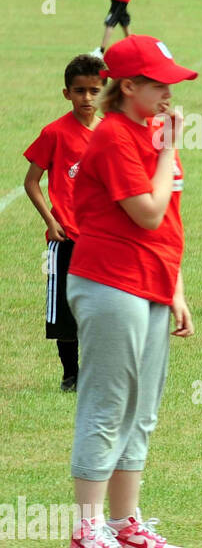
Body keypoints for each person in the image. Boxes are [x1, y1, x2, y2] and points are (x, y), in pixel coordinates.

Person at [65, 34, 197, 548]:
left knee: (142, 408)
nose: (169, 93)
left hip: (152, 280)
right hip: (110, 281)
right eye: (158, 84)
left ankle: (123, 522)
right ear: (129, 86)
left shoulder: (149, 129)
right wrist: (166, 150)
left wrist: (177, 287)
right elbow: (147, 211)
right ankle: (86, 530)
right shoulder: (117, 136)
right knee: (107, 404)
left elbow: (170, 223)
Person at [22, 54, 105, 393]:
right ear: (66, 93)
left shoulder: (110, 133)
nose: (87, 98)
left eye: (94, 90)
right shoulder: (54, 133)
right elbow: (31, 182)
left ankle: (99, 373)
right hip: (65, 239)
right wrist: (50, 220)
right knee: (64, 313)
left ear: (104, 91)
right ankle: (71, 376)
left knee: (101, 309)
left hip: (101, 239)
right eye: (79, 90)